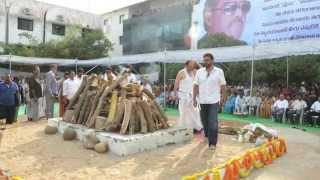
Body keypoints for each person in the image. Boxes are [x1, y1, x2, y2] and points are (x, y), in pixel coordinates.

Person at [193, 53, 226, 150]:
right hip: (202, 100)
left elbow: (223, 85)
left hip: (214, 100)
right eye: (204, 60)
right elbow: (196, 85)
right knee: (204, 120)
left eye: (207, 60)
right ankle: (207, 135)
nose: (205, 62)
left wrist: (223, 98)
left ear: (212, 61)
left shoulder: (219, 71)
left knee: (213, 121)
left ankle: (212, 143)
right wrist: (194, 98)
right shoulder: (199, 72)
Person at [174, 60, 202, 132]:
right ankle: (183, 127)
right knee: (184, 112)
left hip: (192, 95)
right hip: (183, 95)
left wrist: (197, 64)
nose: (192, 67)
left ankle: (196, 127)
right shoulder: (181, 72)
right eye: (191, 66)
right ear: (186, 65)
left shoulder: (194, 71)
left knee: (196, 111)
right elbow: (176, 84)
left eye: (193, 66)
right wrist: (175, 94)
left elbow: (202, 71)